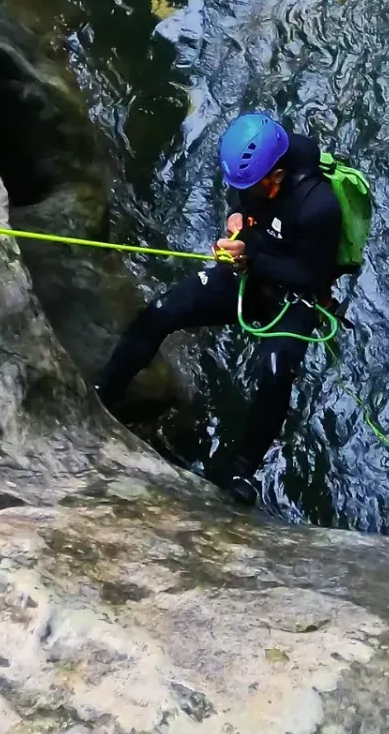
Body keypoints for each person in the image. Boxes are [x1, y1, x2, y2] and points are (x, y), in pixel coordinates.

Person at [95, 113, 343, 496]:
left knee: (276, 370)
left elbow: (310, 274)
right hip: (250, 266)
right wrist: (236, 220)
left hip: (296, 294)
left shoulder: (318, 206)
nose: (245, 189)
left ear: (275, 176)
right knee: (164, 309)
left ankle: (244, 471)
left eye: (253, 185)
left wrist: (251, 259)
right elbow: (238, 196)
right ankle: (103, 392)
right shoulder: (255, 175)